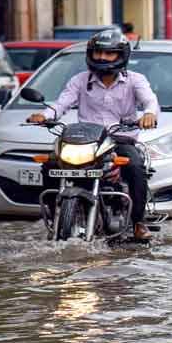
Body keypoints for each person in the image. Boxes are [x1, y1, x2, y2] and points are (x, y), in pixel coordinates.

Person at [26, 29, 159, 241]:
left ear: (121, 55)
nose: (102, 58)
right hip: (86, 140)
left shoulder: (135, 80)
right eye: (98, 52)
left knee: (135, 167)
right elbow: (61, 104)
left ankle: (138, 223)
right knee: (50, 165)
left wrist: (149, 114)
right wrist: (44, 116)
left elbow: (150, 101)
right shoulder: (80, 80)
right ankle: (53, 215)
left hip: (119, 140)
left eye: (109, 53)